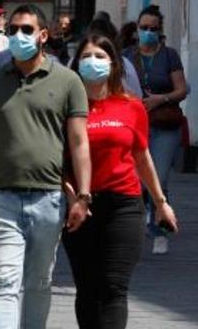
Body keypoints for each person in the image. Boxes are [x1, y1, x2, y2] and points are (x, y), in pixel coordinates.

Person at [0, 4, 92, 329]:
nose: (19, 36)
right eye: (13, 29)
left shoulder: (68, 81)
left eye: (27, 30)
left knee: (38, 282)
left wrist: (84, 195)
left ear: (43, 35)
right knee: (4, 281)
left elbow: (78, 142)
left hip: (49, 199)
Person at [63, 33, 179, 329]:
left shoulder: (131, 106)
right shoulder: (65, 108)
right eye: (86, 57)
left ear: (114, 64)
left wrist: (161, 203)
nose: (93, 63)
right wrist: (72, 196)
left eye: (100, 57)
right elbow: (58, 160)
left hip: (124, 206)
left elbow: (142, 156)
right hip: (80, 207)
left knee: (113, 288)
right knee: (87, 289)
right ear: (76, 65)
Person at [122, 5, 188, 255]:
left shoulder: (169, 55)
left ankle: (161, 228)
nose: (148, 32)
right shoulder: (127, 56)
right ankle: (140, 223)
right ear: (137, 30)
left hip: (164, 124)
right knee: (136, 179)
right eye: (144, 28)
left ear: (160, 31)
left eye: (153, 28)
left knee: (159, 177)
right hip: (135, 123)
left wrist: (160, 99)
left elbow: (182, 89)